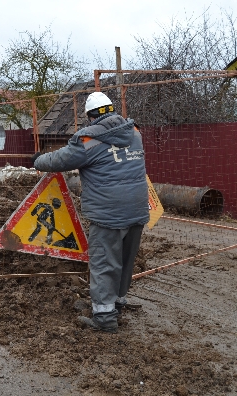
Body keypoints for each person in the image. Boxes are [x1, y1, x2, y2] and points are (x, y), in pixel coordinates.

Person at [32, 92, 149, 333]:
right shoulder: (135, 133)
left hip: (108, 212)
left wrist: (37, 160)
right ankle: (116, 303)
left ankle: (105, 319)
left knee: (105, 261)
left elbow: (59, 160)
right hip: (137, 208)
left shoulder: (88, 140)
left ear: (90, 116)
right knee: (125, 260)